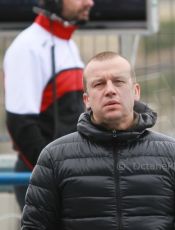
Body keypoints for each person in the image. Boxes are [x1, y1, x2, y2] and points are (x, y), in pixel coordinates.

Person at [21, 51, 175, 229]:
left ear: (136, 91)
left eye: (119, 82)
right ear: (86, 99)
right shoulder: (54, 158)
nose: (110, 90)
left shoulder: (174, 155)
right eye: (99, 84)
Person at [3, 0, 94, 210]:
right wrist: (55, 176)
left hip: (68, 179)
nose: (90, 2)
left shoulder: (68, 43)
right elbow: (21, 125)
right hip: (45, 182)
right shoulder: (27, 47)